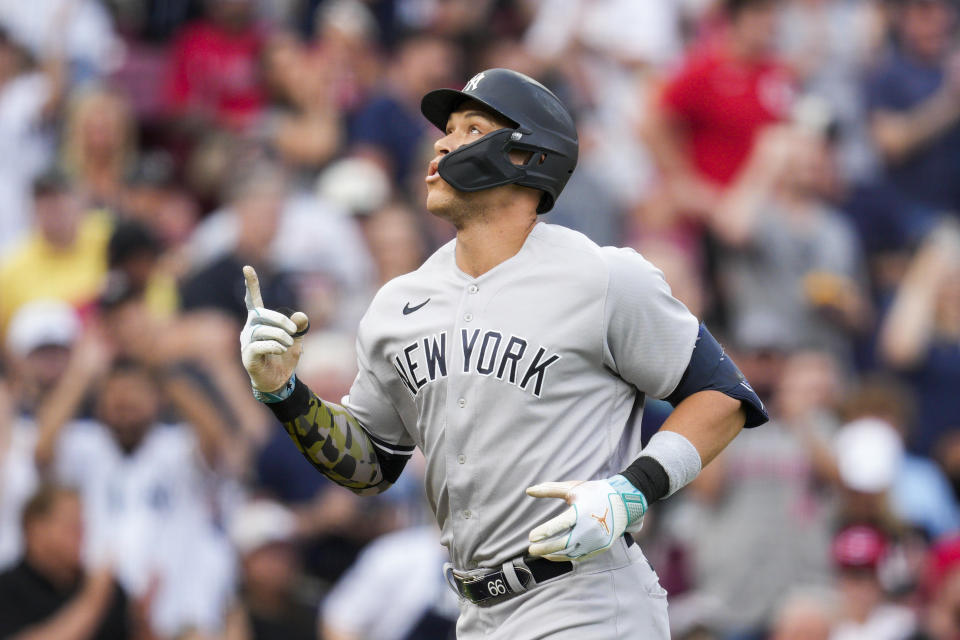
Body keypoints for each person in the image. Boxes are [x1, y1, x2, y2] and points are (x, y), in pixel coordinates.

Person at [240, 68, 768, 638]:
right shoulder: (398, 303)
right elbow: (371, 466)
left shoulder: (604, 276)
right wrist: (284, 392)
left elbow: (725, 395)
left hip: (586, 598)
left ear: (526, 157)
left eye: (470, 128)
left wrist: (629, 491)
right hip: (476, 613)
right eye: (447, 129)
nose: (442, 142)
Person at [0, 485, 136, 640]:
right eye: (70, 525)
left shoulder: (109, 590)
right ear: (35, 529)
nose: (80, 534)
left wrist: (142, 620)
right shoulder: (7, 589)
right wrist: (91, 604)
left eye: (82, 525)